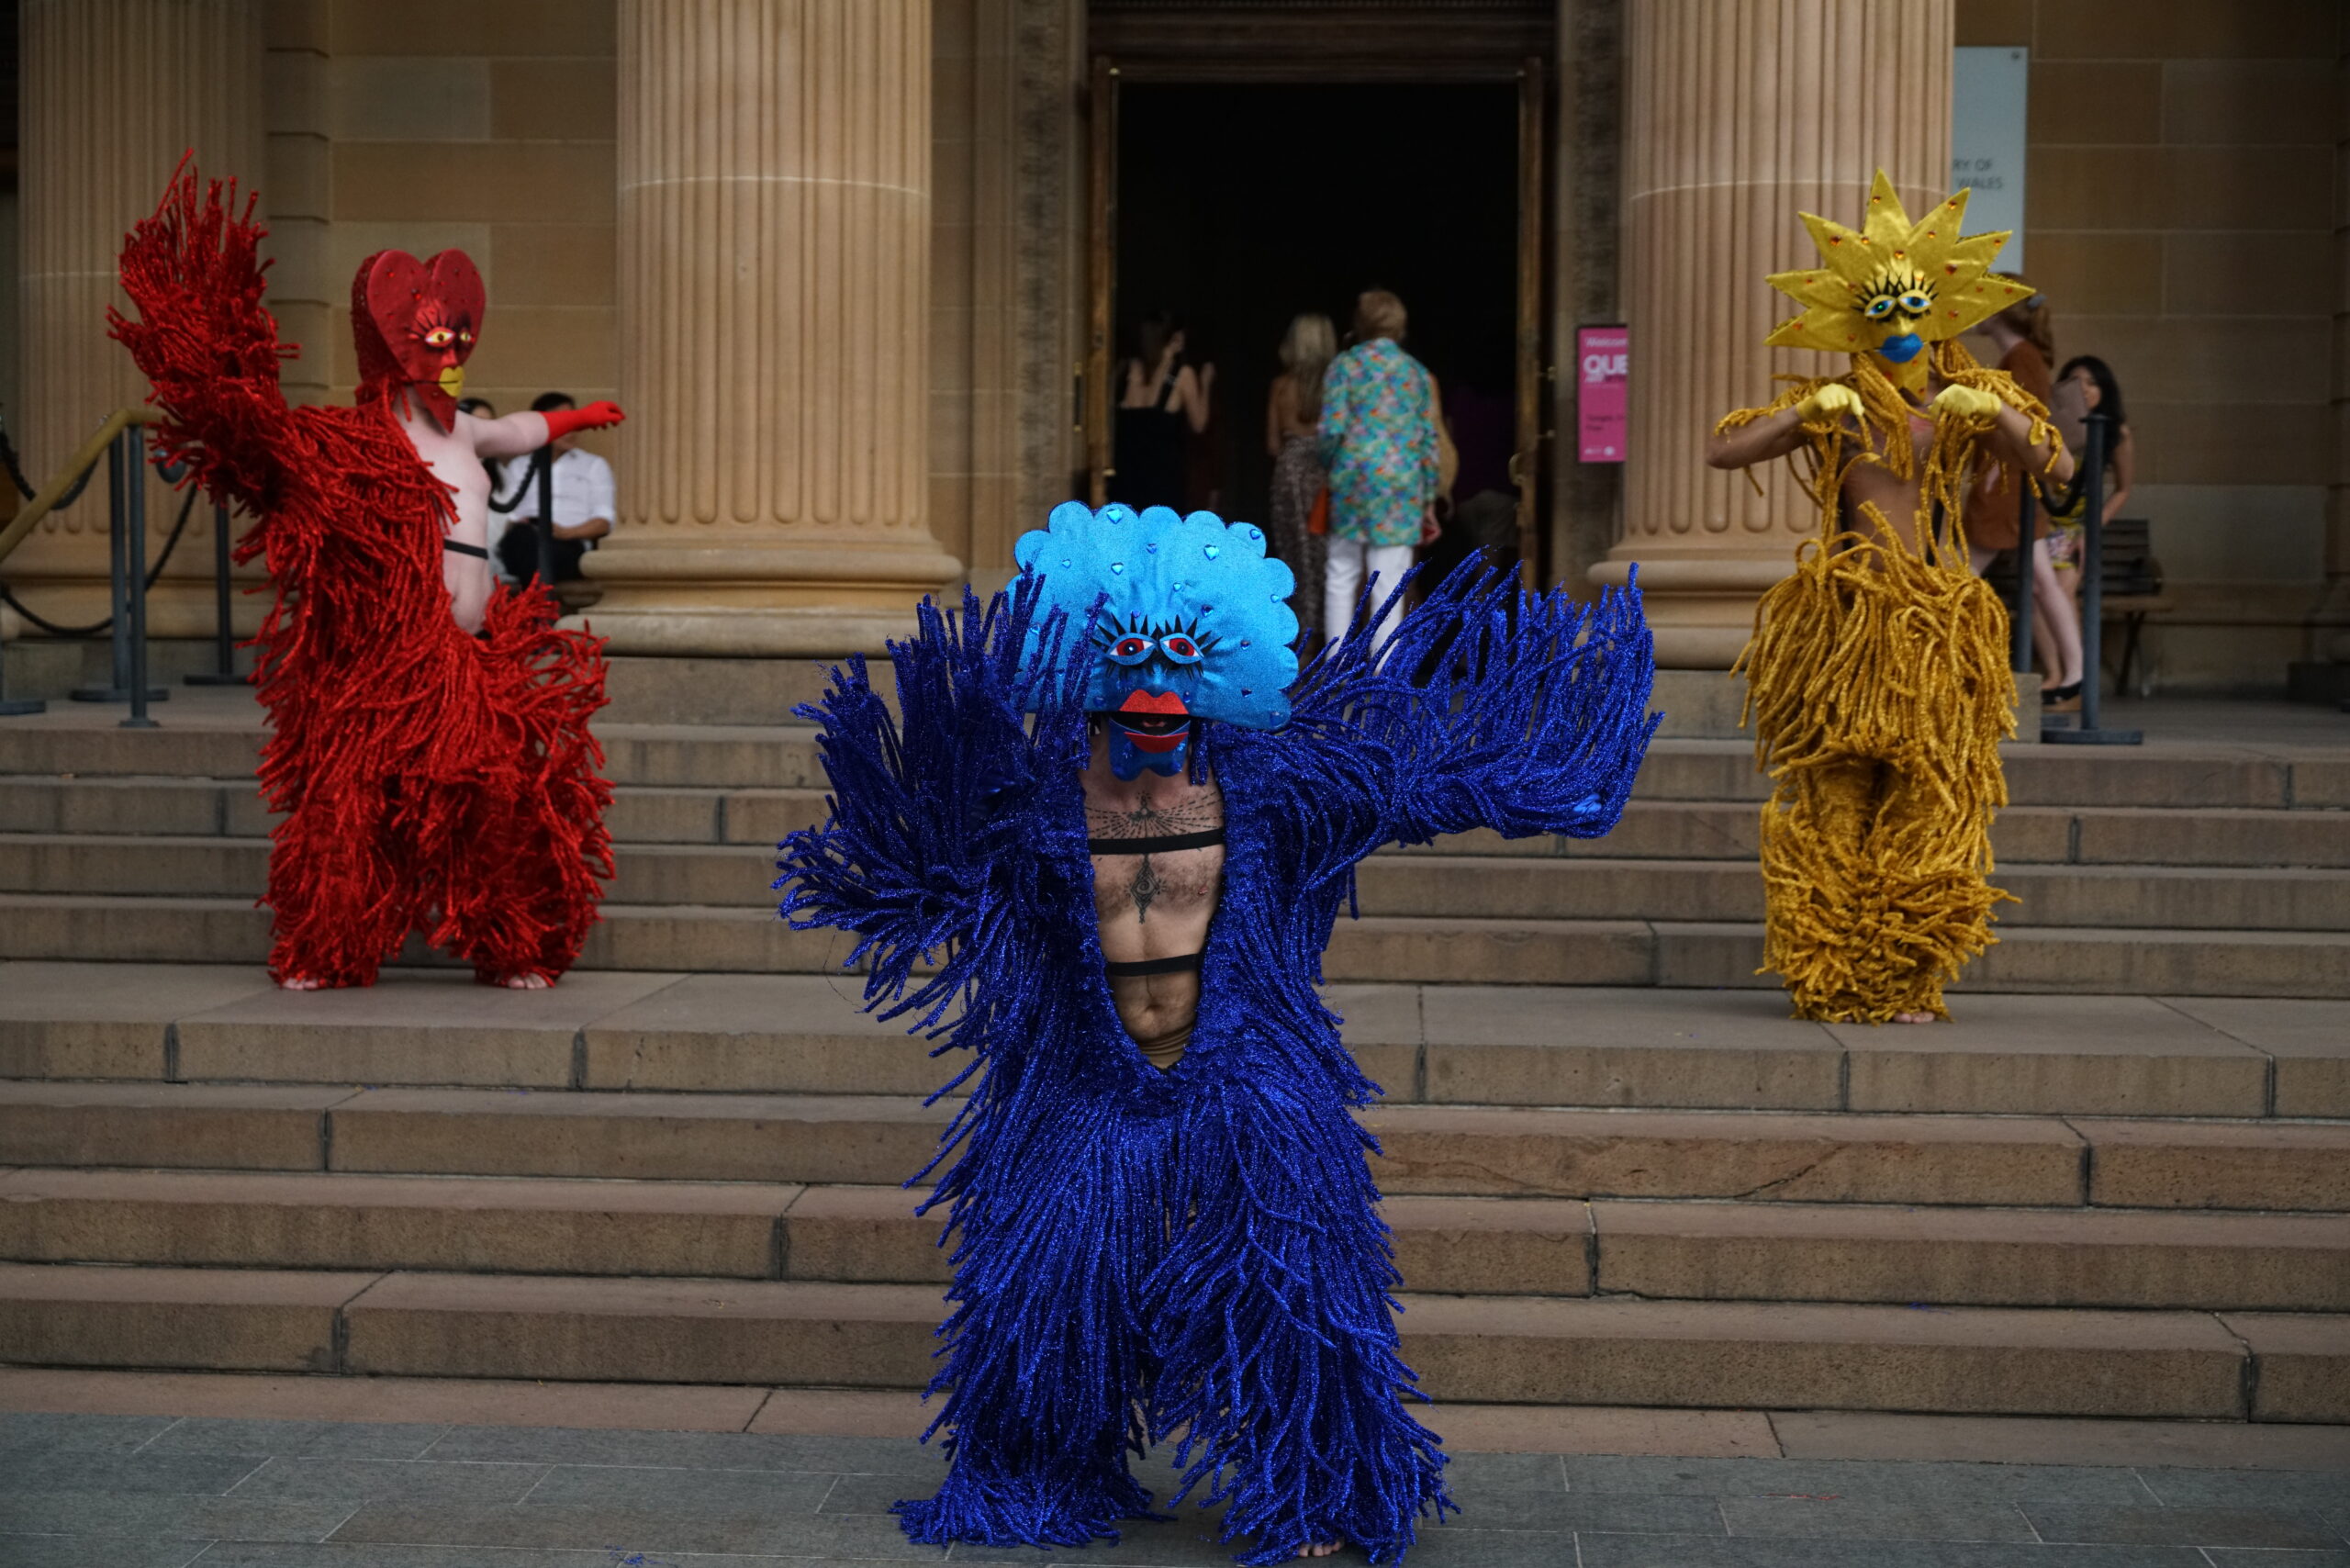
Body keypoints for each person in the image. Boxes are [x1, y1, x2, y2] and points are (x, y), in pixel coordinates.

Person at [778, 501, 1658, 1564]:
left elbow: (1417, 778)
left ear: (1221, 666)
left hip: (1247, 1072)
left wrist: (1545, 756)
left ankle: (1321, 1495)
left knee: (1295, 1286)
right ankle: (1037, 1472)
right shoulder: (1027, 804)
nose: (1154, 690)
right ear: (1083, 669)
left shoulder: (1281, 783)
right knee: (1044, 1292)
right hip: (1086, 1085)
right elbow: (918, 871)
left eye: (1181, 658)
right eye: (1129, 660)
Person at [112, 165, 620, 991]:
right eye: (433, 348)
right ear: (390, 354)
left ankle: (510, 943)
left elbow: (525, 429)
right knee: (348, 805)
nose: (449, 361)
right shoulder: (352, 441)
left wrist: (581, 418)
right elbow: (269, 456)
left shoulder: (470, 438)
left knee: (487, 795)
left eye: (456, 347)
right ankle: (325, 947)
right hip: (386, 659)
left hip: (465, 656)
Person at [1707, 172, 2070, 1025]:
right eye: (1883, 310)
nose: (1900, 327)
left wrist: (1997, 412)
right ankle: (1830, 965)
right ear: (1853, 318)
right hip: (1842, 628)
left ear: (1943, 309)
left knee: (1931, 796)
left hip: (1936, 628)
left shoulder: (1967, 405)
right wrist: (1803, 417)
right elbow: (1725, 453)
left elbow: (2055, 468)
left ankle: (1905, 972)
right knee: (1833, 799)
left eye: (1915, 308)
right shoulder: (1830, 406)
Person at [1967, 282, 2084, 711]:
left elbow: (2025, 425)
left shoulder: (2021, 359)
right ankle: (2075, 673)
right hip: (2012, 482)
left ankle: (2076, 674)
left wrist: (1996, 466)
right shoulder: (2022, 357)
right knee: (2040, 581)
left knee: (1959, 576)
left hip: (2007, 484)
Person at [1317, 290, 1440, 648]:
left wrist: (1329, 465)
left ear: (1361, 323)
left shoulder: (1345, 366)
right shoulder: (1416, 373)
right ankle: (1383, 676)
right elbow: (1427, 439)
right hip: (1401, 488)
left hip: (1352, 480)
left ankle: (1335, 670)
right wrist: (1429, 495)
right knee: (1389, 582)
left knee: (1341, 575)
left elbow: (1330, 432)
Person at [2050, 354, 2137, 690]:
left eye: (2091, 383)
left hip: (2078, 522)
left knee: (2062, 589)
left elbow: (2124, 489)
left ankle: (2075, 679)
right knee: (2045, 589)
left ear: (2104, 389)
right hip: (2050, 515)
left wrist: (2092, 529)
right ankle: (2059, 675)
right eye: (2075, 383)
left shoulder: (2117, 431)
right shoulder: (2055, 424)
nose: (2084, 390)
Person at [497, 390, 616, 589]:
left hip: (568, 544)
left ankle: (534, 608)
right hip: (525, 537)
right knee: (523, 541)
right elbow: (509, 516)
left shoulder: (593, 465)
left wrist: (565, 533)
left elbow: (604, 521)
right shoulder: (519, 465)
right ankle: (539, 606)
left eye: (574, 423)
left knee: (539, 557)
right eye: (564, 423)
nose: (571, 431)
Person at [1263, 311, 1333, 634]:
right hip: (1326, 471)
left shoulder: (1280, 386)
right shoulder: (1336, 388)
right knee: (1331, 559)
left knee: (1295, 558)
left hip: (1289, 473)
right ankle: (1333, 635)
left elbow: (1273, 445)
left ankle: (1299, 636)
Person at [1111, 311, 1211, 510]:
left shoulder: (1125, 371)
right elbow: (1199, 424)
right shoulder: (1182, 375)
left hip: (1126, 480)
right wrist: (1206, 382)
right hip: (1163, 485)